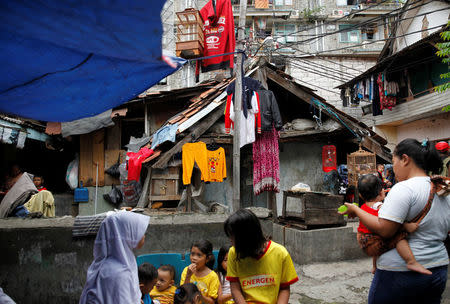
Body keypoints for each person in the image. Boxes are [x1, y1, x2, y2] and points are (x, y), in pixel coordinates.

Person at [341, 138, 449, 304]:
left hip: (400, 274)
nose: (394, 167)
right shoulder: (441, 187)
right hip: (438, 268)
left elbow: (385, 229)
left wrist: (356, 209)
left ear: (405, 159)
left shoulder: (404, 188)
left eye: (393, 161)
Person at [356, 174, 431, 275]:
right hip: (374, 241)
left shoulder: (362, 208)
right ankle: (411, 261)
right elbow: (392, 222)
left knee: (377, 240)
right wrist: (406, 226)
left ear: (360, 195)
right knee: (399, 238)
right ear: (381, 192)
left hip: (364, 240)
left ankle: (374, 266)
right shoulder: (380, 206)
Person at [224, 209, 298, 304]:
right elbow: (235, 289)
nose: (231, 241)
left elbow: (284, 288)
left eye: (232, 237)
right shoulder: (233, 253)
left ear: (246, 237)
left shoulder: (280, 253)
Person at [79, 211, 150, 304]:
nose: (143, 236)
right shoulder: (119, 273)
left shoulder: (110, 263)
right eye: (140, 232)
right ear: (127, 234)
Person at [180, 240, 220, 304]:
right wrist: (188, 276)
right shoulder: (186, 270)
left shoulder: (213, 276)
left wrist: (201, 296)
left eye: (199, 255)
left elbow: (212, 301)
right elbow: (181, 294)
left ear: (207, 259)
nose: (194, 258)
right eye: (192, 254)